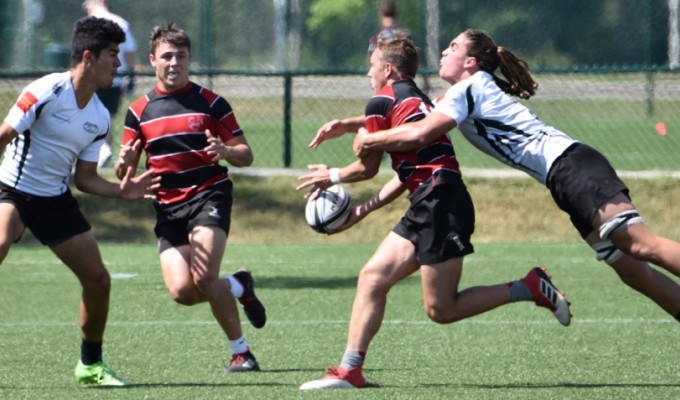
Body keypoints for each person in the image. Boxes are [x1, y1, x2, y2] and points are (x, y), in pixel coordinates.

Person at [353, 28, 680, 330]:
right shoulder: (462, 94)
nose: (442, 52)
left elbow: (420, 132)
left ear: (470, 62)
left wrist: (369, 140)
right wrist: (351, 123)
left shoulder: (470, 87)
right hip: (562, 179)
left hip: (574, 167)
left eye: (452, 47)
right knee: (631, 271)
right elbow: (415, 116)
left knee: (641, 245)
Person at [296, 32, 571, 390]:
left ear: (389, 70)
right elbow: (407, 176)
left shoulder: (380, 101)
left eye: (372, 66)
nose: (368, 73)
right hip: (432, 200)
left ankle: (530, 286)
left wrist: (331, 174)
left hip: (441, 204)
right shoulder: (419, 100)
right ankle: (350, 371)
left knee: (442, 309)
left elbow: (366, 169)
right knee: (372, 277)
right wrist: (360, 209)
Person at [0, 16, 157, 386]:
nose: (119, 64)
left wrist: (122, 191)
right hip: (12, 190)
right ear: (89, 56)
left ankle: (90, 365)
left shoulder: (100, 117)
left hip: (55, 199)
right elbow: (4, 135)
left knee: (99, 280)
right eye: (112, 55)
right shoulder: (46, 91)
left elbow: (83, 179)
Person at [114, 22, 265, 373]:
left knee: (204, 278)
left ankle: (241, 353)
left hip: (208, 196)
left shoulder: (211, 103)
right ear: (152, 60)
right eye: (166, 56)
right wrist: (124, 164)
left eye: (180, 56)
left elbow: (246, 154)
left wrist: (226, 150)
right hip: (168, 208)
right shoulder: (138, 111)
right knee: (182, 291)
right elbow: (126, 172)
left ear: (189, 59)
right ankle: (239, 285)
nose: (173, 63)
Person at [82, 0, 138, 169]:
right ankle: (103, 151)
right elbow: (130, 52)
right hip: (116, 79)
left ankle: (96, 155)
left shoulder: (88, 24)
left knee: (88, 117)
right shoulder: (121, 23)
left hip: (93, 78)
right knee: (106, 118)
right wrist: (131, 76)